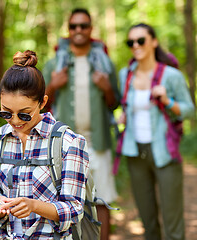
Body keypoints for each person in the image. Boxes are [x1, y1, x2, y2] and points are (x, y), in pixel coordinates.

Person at [0, 50, 90, 239]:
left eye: (24, 114)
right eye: (6, 112)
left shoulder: (69, 143)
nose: (15, 121)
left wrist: (34, 206)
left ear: (42, 102)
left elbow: (74, 210)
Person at [42, 8, 120, 240]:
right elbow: (38, 104)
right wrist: (53, 85)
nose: (79, 30)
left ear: (90, 29)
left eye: (83, 26)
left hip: (98, 143)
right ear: (68, 30)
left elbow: (114, 103)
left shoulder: (104, 64)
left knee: (102, 200)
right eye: (74, 26)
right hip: (63, 148)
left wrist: (106, 87)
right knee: (63, 202)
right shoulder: (55, 64)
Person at [119, 23, 194, 240]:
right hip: (135, 152)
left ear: (154, 41)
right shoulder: (126, 75)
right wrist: (124, 115)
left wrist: (168, 101)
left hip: (165, 152)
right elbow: (126, 106)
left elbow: (189, 111)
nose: (135, 45)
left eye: (141, 40)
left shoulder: (170, 76)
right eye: (130, 42)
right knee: (147, 221)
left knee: (173, 222)